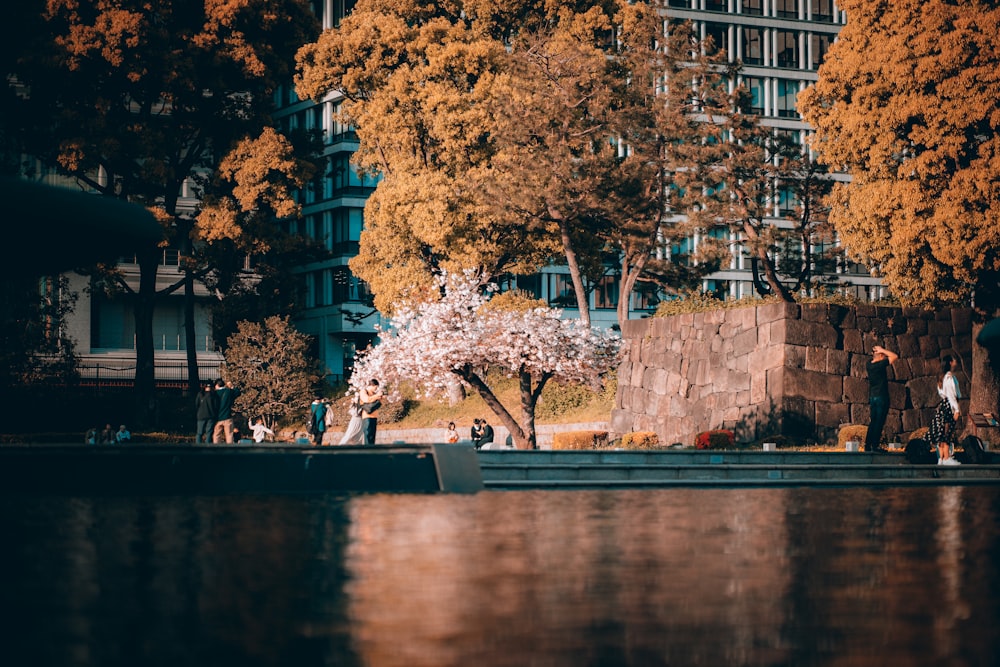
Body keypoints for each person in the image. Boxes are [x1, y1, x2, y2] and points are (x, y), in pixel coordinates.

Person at [929, 355, 963, 465]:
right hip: (949, 406)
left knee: (942, 432)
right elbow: (951, 395)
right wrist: (957, 409)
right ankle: (946, 457)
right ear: (950, 362)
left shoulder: (941, 377)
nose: (955, 362)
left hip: (943, 406)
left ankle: (942, 458)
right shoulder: (949, 377)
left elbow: (943, 393)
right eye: (953, 360)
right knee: (947, 432)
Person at [865, 344, 899, 452]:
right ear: (880, 356)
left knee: (873, 422)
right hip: (881, 397)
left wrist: (878, 351)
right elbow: (894, 356)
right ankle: (875, 446)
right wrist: (882, 350)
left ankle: (868, 445)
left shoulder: (869, 364)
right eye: (883, 355)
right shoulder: (880, 365)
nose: (884, 357)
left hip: (873, 397)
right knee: (879, 422)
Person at [212, 379, 241, 444]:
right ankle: (229, 450)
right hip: (227, 417)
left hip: (217, 418)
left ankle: (216, 450)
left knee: (216, 435)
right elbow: (238, 392)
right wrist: (231, 386)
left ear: (217, 385)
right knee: (229, 435)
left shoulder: (214, 393)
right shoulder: (228, 392)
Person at [359, 378, 384, 445]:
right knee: (367, 434)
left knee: (372, 435)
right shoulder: (363, 391)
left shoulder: (374, 394)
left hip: (374, 416)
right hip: (367, 416)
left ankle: (372, 449)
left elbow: (378, 403)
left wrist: (380, 397)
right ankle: (367, 451)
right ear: (372, 385)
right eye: (375, 387)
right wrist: (376, 396)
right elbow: (366, 399)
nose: (376, 389)